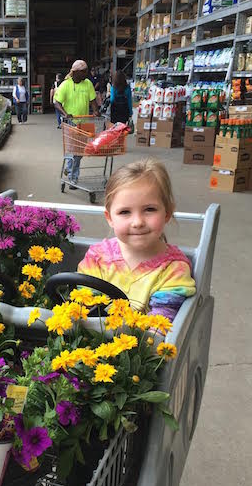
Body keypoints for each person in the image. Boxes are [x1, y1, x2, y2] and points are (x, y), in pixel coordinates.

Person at [78, 159, 196, 322]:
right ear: (110, 218)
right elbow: (83, 304)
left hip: (140, 344)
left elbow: (159, 327)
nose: (138, 222)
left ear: (167, 213)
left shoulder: (173, 269)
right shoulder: (97, 258)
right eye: (125, 212)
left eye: (149, 209)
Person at [53, 60, 99, 189]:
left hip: (84, 123)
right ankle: (73, 178)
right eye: (84, 71)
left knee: (79, 153)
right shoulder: (65, 85)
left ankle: (69, 168)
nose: (87, 73)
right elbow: (56, 102)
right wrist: (65, 113)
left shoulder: (88, 84)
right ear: (77, 72)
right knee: (73, 151)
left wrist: (96, 111)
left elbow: (93, 100)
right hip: (70, 123)